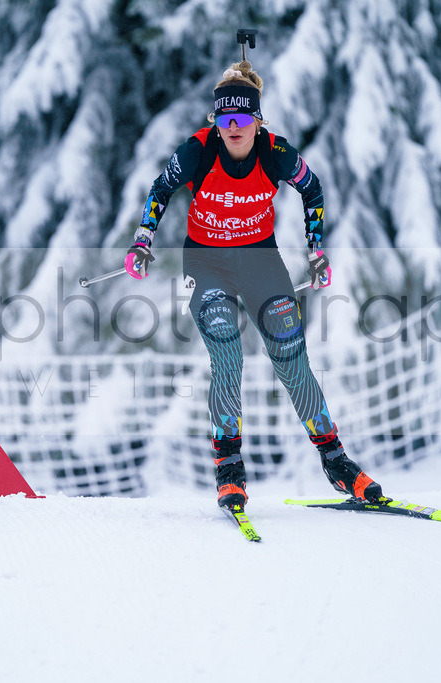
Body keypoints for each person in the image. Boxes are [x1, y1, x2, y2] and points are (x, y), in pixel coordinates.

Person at [124, 61, 385, 511]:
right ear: (216, 122)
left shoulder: (276, 152)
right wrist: (143, 239)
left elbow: (313, 189)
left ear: (257, 120)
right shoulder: (197, 151)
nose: (234, 128)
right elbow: (160, 189)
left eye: (243, 119)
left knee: (290, 357)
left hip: (261, 262)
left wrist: (316, 248)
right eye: (225, 120)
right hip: (206, 263)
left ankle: (336, 461)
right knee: (226, 350)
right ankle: (229, 468)